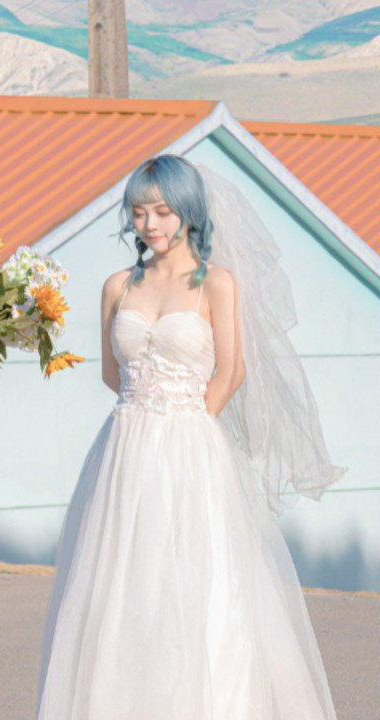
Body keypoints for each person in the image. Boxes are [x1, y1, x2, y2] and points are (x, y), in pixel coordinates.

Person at [37, 155, 344, 719]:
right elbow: (111, 372)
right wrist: (145, 414)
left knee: (194, 578)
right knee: (122, 579)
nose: (149, 224)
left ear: (189, 211)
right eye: (139, 212)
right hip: (124, 446)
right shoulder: (117, 286)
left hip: (190, 445)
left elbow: (232, 370)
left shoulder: (216, 284)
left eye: (162, 211)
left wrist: (187, 422)